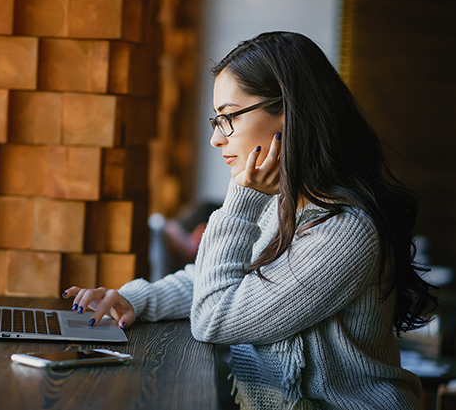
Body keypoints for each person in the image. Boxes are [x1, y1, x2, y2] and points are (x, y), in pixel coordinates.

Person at [62, 31, 437, 409]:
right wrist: (133, 298)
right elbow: (217, 279)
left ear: (289, 112)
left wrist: (242, 200)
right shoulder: (288, 203)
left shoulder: (346, 231)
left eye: (227, 118)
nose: (216, 139)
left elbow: (215, 317)